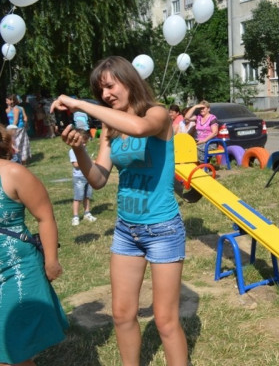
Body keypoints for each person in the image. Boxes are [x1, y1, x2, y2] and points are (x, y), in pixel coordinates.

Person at [51, 56, 188, 366]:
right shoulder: (110, 127)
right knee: (122, 315)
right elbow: (98, 179)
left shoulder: (156, 114)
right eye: (100, 91)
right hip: (126, 231)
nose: (106, 95)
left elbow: (139, 128)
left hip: (163, 229)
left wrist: (80, 104)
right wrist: (78, 148)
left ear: (129, 81)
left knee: (165, 321)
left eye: (110, 86)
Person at [0, 124, 68, 365]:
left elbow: (45, 217)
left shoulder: (13, 173)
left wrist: (51, 261)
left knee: (13, 350)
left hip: (16, 270)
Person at [69, 129, 97, 226]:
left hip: (87, 176)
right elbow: (75, 164)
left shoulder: (84, 149)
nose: (84, 145)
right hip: (79, 178)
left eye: (85, 143)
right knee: (78, 197)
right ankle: (75, 216)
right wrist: (89, 162)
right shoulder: (73, 151)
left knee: (87, 196)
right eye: (82, 143)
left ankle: (87, 213)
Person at [5, 94, 31, 165]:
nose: (6, 102)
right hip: (15, 128)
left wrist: (11, 129)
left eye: (7, 100)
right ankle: (19, 160)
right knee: (18, 144)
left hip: (17, 129)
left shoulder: (16, 109)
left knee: (17, 144)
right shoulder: (8, 110)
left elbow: (16, 120)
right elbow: (25, 118)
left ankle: (20, 161)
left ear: (12, 100)